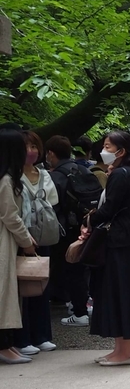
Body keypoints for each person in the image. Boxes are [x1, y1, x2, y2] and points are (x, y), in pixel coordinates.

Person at [84, 130, 130, 365]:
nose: (104, 150)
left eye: (108, 146)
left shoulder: (121, 175)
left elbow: (109, 209)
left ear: (121, 151)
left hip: (121, 243)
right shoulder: (126, 173)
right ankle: (120, 349)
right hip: (124, 242)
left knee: (121, 295)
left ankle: (125, 351)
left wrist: (88, 220)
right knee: (119, 294)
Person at [44, 135, 95, 326]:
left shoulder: (54, 177)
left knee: (68, 269)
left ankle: (78, 311)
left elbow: (50, 207)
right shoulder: (83, 170)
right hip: (86, 226)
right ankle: (84, 305)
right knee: (82, 269)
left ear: (50, 153)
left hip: (63, 230)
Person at [14, 131, 57, 355]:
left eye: (34, 147)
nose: (31, 151)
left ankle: (42, 335)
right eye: (27, 147)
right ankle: (23, 337)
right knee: (23, 287)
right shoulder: (11, 175)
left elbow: (52, 199)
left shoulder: (43, 174)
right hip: (22, 235)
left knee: (41, 284)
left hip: (42, 234)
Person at [0, 129, 38, 364]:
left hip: (8, 240)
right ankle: (4, 346)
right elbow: (10, 215)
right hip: (4, 241)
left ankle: (8, 344)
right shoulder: (5, 180)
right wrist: (26, 241)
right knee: (5, 295)